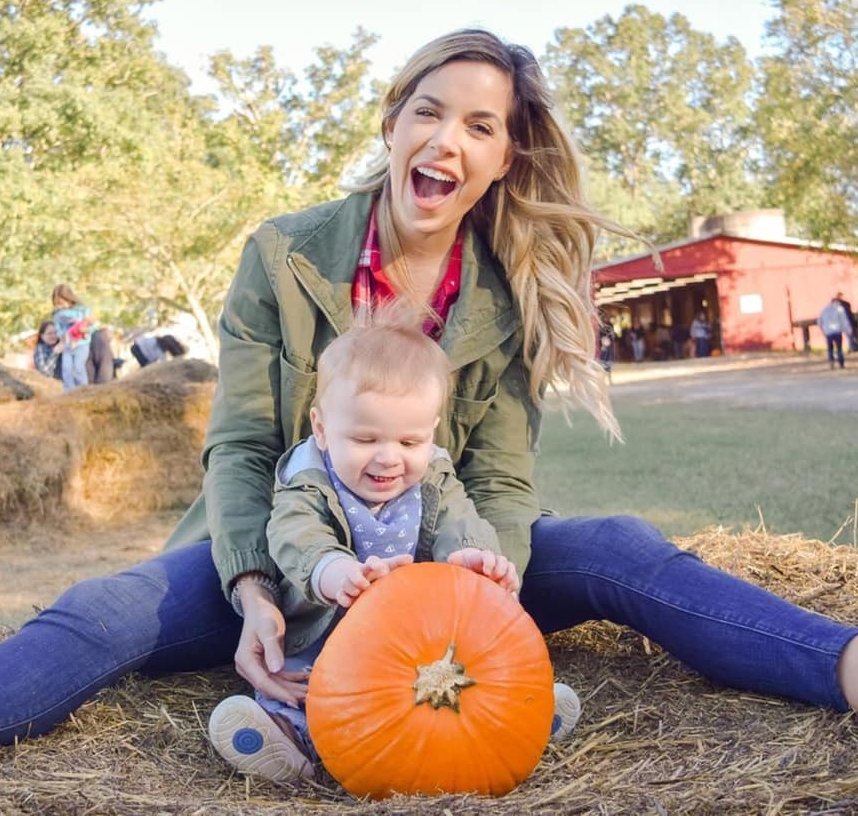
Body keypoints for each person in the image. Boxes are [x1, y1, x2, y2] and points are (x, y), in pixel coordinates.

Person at [0, 28, 858, 771]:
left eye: (481, 127)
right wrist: (249, 589)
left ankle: (843, 664)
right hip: (281, 550)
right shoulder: (281, 255)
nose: (449, 140)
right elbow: (238, 447)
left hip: (442, 553)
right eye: (430, 112)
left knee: (619, 549)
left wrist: (474, 592)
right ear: (393, 123)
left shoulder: (508, 294)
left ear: (503, 162)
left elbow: (501, 479)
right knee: (106, 611)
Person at [206, 316, 580, 781]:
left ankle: (527, 719)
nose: (388, 457)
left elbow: (460, 521)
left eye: (410, 441)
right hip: (328, 639)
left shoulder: (434, 478)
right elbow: (294, 536)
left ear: (432, 431)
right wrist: (332, 570)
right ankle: (287, 738)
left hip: (419, 643)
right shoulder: (307, 482)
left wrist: (472, 558)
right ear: (321, 429)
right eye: (365, 439)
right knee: (309, 695)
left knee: (469, 684)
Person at [50, 284, 93, 392]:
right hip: (67, 345)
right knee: (67, 369)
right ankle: (69, 392)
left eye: (61, 303)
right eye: (56, 304)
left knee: (78, 368)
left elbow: (90, 325)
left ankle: (83, 390)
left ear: (69, 299)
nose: (59, 306)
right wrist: (62, 337)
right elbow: (58, 329)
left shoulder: (83, 311)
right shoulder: (57, 315)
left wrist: (84, 329)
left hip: (81, 345)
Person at [817, 295, 854, 370]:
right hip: (837, 331)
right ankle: (841, 363)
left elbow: (819, 321)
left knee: (830, 348)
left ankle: (831, 361)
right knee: (839, 348)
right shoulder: (839, 309)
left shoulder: (825, 309)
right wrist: (848, 329)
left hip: (828, 332)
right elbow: (844, 320)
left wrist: (823, 330)